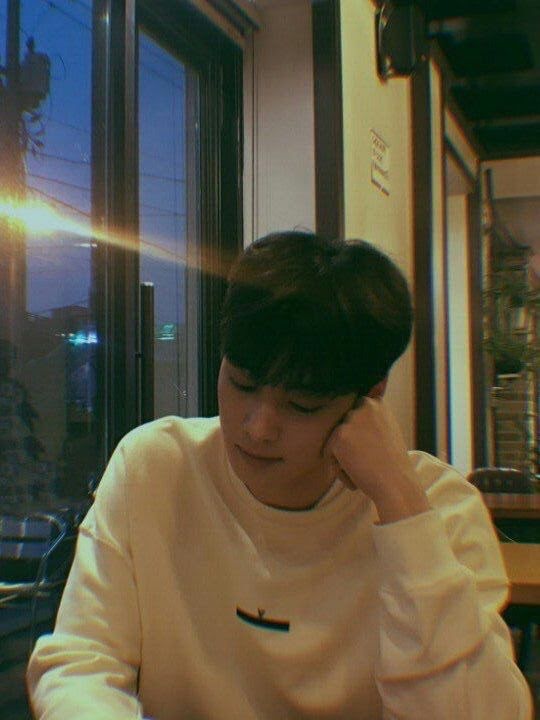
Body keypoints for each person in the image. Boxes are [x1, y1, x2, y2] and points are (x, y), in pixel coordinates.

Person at [27, 231, 532, 719]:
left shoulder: (437, 508)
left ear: (369, 398)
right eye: (242, 384)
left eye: (302, 405)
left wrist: (401, 508)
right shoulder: (155, 467)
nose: (258, 428)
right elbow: (80, 665)